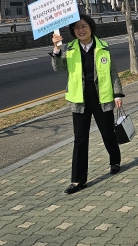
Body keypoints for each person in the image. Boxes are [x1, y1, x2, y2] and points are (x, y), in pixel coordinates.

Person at [51, 15, 124, 194]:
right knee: (80, 139)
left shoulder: (103, 47)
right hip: (79, 99)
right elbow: (58, 67)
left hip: (102, 97)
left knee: (108, 133)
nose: (80, 30)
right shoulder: (69, 49)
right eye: (76, 28)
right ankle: (77, 180)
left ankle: (115, 160)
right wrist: (56, 49)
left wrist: (117, 94)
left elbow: (113, 72)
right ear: (72, 31)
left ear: (91, 28)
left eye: (84, 26)